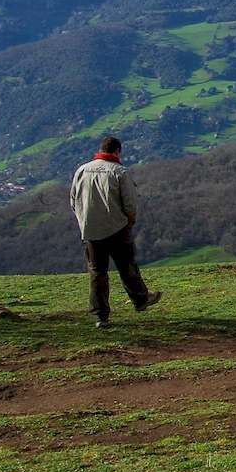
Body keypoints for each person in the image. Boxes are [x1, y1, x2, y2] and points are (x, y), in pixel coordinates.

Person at [69, 135, 162, 328]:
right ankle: (140, 299)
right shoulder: (119, 172)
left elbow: (73, 199)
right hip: (116, 227)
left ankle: (100, 315)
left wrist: (83, 220)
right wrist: (130, 221)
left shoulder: (82, 170)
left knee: (97, 272)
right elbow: (129, 203)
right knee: (127, 266)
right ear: (117, 151)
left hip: (90, 228)